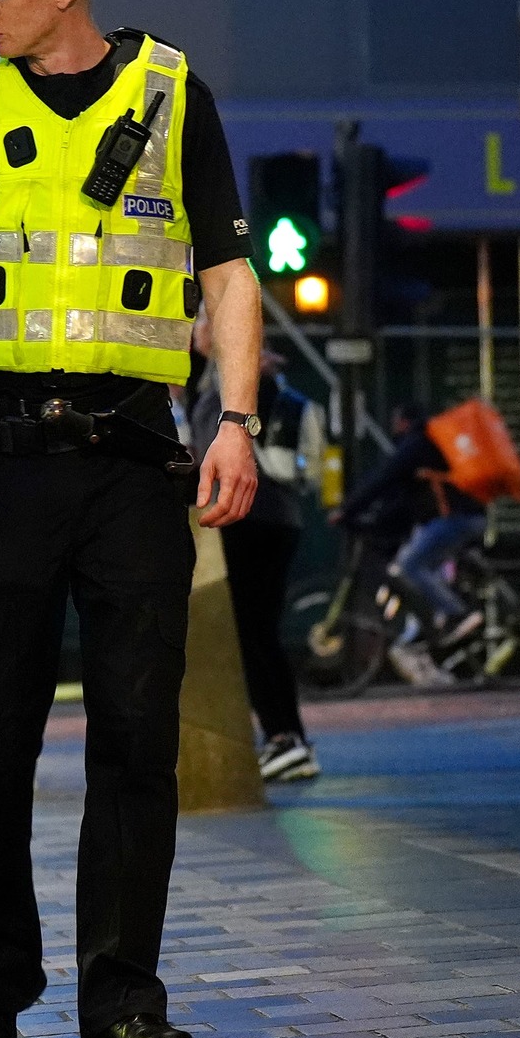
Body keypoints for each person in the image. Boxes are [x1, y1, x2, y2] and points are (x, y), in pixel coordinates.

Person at [0, 0, 263, 1038]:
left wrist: (237, 419)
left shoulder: (171, 93)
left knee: (136, 736)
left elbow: (228, 274)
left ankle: (123, 994)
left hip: (134, 459)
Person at [189, 330, 324, 781]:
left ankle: (286, 737)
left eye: (208, 325)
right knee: (257, 631)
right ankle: (287, 736)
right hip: (275, 517)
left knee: (255, 632)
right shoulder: (248, 386)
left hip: (252, 517)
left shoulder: (246, 387)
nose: (200, 334)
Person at [332, 402, 487, 685]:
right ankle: (438, 625)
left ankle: (457, 614)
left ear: (404, 422)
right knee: (424, 570)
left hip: (454, 520)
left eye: (395, 422)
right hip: (460, 518)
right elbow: (400, 496)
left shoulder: (416, 444)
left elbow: (384, 478)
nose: (393, 428)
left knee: (408, 566)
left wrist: (348, 509)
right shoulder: (429, 445)